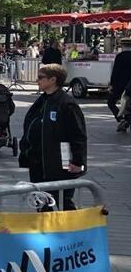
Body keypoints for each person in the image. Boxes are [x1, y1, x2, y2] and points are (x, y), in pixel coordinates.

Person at [19, 64, 87, 211]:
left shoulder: (66, 103)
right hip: (38, 161)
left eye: (40, 78)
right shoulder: (42, 100)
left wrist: (78, 162)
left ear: (53, 80)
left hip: (59, 162)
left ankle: (71, 232)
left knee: (63, 201)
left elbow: (78, 135)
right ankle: (46, 232)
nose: (37, 81)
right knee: (42, 202)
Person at [107, 38, 131, 132]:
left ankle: (121, 119)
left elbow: (115, 72)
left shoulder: (120, 56)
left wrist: (112, 84)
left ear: (122, 45)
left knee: (111, 102)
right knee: (128, 104)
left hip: (120, 85)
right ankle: (126, 121)